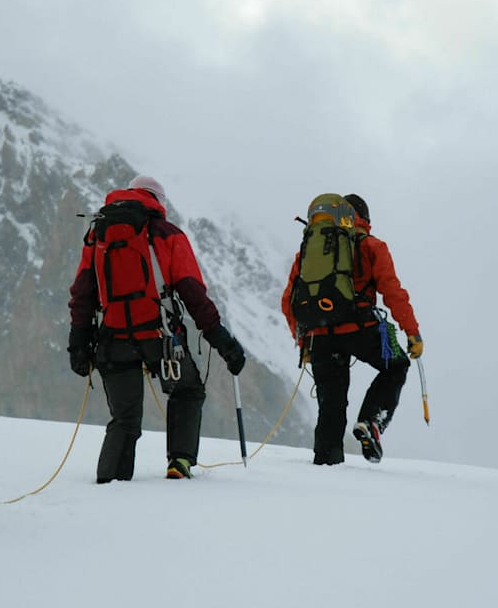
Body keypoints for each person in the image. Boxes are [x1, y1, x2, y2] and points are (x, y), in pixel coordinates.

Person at [67, 175, 246, 482]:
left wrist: (78, 342)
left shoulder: (98, 234)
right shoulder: (167, 233)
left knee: (124, 417)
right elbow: (193, 294)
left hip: (113, 337)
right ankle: (179, 462)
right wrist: (222, 341)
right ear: (159, 202)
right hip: (160, 336)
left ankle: (110, 482)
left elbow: (83, 294)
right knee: (187, 391)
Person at [281, 193, 422, 464]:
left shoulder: (309, 250)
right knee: (396, 365)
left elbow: (289, 301)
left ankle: (326, 460)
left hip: (320, 337)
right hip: (361, 328)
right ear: (364, 220)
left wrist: (303, 344)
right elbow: (393, 292)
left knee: (331, 402)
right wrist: (411, 332)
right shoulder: (371, 245)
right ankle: (371, 421)